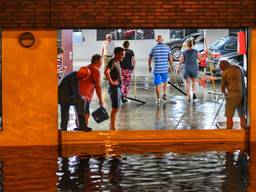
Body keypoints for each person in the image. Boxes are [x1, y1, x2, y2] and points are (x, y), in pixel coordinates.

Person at [58, 67, 91, 132]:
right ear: (82, 74)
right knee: (81, 101)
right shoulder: (74, 77)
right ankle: (82, 126)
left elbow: (75, 91)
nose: (85, 78)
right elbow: (75, 91)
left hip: (62, 97)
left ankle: (63, 128)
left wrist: (80, 97)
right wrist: (82, 98)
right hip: (63, 97)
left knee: (65, 112)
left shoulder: (74, 75)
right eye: (85, 76)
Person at [219, 60, 246, 129]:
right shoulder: (238, 68)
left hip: (232, 95)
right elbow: (246, 74)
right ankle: (244, 130)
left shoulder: (224, 73)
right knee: (242, 115)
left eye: (220, 66)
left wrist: (225, 94)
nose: (220, 68)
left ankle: (229, 131)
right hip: (242, 94)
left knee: (229, 116)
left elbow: (222, 88)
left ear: (223, 66)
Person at [79, 54, 104, 128]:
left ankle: (81, 126)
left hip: (77, 93)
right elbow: (98, 87)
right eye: (101, 61)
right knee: (86, 112)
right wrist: (100, 99)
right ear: (97, 62)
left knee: (80, 112)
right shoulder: (96, 71)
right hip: (85, 95)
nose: (102, 63)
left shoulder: (85, 67)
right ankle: (84, 127)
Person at [104, 47, 125, 130]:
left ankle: (111, 127)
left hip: (118, 87)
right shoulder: (112, 62)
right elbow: (106, 72)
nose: (123, 56)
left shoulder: (117, 61)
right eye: (122, 55)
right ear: (117, 54)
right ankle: (113, 128)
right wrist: (112, 82)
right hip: (114, 88)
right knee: (115, 108)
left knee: (117, 107)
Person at [148, 35, 173, 105]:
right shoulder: (167, 48)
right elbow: (170, 58)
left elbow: (149, 58)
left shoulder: (154, 48)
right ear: (162, 40)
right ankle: (164, 94)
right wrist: (171, 66)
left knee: (157, 84)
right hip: (164, 69)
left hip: (157, 69)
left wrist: (149, 66)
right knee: (164, 82)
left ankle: (158, 98)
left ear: (157, 40)